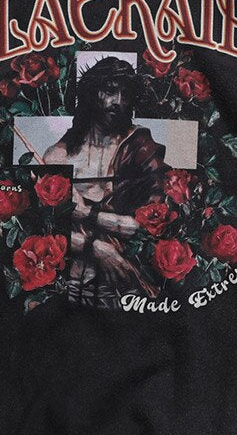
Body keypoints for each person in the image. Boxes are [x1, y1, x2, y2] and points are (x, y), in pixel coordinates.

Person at [44, 57, 168, 306]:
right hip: (70, 285)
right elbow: (44, 228)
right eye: (110, 91)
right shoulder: (57, 155)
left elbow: (152, 223)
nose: (118, 101)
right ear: (92, 93)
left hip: (124, 285)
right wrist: (97, 248)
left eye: (126, 95)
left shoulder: (140, 147)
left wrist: (85, 213)